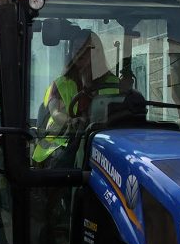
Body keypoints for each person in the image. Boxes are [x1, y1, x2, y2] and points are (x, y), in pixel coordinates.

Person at [33, 30, 119, 168]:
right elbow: (55, 112)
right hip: (63, 144)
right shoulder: (60, 84)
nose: (80, 52)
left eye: (87, 48)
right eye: (76, 48)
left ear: (98, 53)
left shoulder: (115, 84)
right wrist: (71, 121)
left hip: (103, 143)